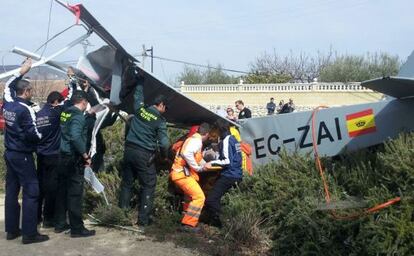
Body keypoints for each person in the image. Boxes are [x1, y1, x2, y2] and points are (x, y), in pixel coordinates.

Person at [3, 58, 49, 244]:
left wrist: (21, 70)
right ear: (27, 92)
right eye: (31, 91)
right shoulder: (26, 109)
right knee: (32, 191)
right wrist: (43, 136)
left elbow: (8, 85)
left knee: (12, 191)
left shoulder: (7, 102)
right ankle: (30, 233)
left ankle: (12, 230)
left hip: (9, 153)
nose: (32, 93)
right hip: (22, 155)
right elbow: (34, 134)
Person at [119, 71, 170, 228]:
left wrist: (140, 82)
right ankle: (143, 220)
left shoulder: (140, 110)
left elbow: (138, 97)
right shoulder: (160, 121)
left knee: (127, 182)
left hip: (128, 151)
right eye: (165, 108)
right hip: (143, 154)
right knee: (149, 184)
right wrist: (165, 156)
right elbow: (164, 143)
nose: (165, 111)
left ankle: (122, 214)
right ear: (160, 105)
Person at [54, 90, 96, 237]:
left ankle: (59, 223)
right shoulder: (78, 116)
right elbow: (76, 137)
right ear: (83, 102)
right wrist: (85, 155)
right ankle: (77, 228)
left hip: (62, 156)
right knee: (75, 194)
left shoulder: (66, 112)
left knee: (62, 192)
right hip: (73, 158)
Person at [170, 123, 211, 232]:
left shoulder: (191, 139)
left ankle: (186, 219)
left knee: (189, 197)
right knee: (199, 197)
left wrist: (208, 164)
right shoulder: (196, 141)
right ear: (206, 134)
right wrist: (198, 168)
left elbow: (197, 157)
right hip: (182, 174)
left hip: (181, 174)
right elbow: (187, 154)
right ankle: (188, 224)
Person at [203, 119, 243, 228]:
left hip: (229, 175)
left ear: (219, 129)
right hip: (237, 174)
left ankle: (225, 223)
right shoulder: (234, 139)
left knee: (211, 200)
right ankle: (220, 223)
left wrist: (211, 163)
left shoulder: (226, 140)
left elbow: (227, 161)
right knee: (222, 200)